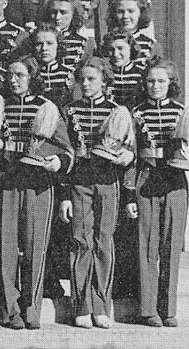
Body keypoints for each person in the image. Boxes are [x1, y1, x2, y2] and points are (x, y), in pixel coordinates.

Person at [0, 55, 73, 330]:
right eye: (10, 75)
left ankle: (31, 306)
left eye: (20, 75)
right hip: (7, 182)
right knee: (7, 246)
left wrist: (57, 161)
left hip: (39, 185)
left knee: (35, 246)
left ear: (32, 77)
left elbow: (66, 149)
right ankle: (9, 309)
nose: (13, 80)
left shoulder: (47, 107)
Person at [60, 56, 135, 329]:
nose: (86, 84)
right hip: (79, 182)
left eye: (92, 79)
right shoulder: (69, 111)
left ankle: (101, 305)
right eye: (82, 79)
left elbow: (131, 152)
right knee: (81, 241)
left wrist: (127, 157)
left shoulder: (118, 111)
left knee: (104, 241)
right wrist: (65, 195)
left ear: (105, 81)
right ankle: (82, 305)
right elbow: (65, 153)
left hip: (107, 182)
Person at [128, 58, 186, 328]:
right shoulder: (135, 112)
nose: (156, 86)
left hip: (174, 180)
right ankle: (148, 308)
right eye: (151, 81)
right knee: (147, 244)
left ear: (170, 84)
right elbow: (129, 156)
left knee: (171, 245)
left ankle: (168, 308)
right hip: (147, 178)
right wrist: (130, 192)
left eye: (161, 81)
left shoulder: (182, 111)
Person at [42, 0, 95, 71]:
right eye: (54, 12)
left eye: (63, 12)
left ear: (74, 14)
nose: (57, 17)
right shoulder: (37, 39)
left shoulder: (85, 43)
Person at [28, 23, 75, 108]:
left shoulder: (69, 74)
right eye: (39, 44)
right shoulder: (28, 74)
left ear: (58, 45)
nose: (44, 48)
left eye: (49, 43)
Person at [108, 0, 155, 64]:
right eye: (120, 12)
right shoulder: (108, 42)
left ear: (140, 13)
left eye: (131, 11)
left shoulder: (149, 44)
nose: (125, 16)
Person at [103, 29, 145, 108]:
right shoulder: (102, 73)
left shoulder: (142, 73)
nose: (115, 54)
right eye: (111, 49)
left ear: (131, 48)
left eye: (120, 48)